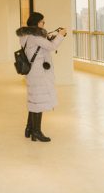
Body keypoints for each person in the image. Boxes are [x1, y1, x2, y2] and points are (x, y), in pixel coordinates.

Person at [16, 12, 67, 142]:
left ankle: (29, 129)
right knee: (38, 101)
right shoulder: (35, 37)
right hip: (38, 73)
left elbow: (41, 45)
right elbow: (52, 46)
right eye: (42, 22)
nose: (44, 24)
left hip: (32, 72)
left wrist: (50, 37)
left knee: (34, 100)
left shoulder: (26, 35)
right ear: (37, 23)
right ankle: (37, 132)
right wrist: (60, 35)